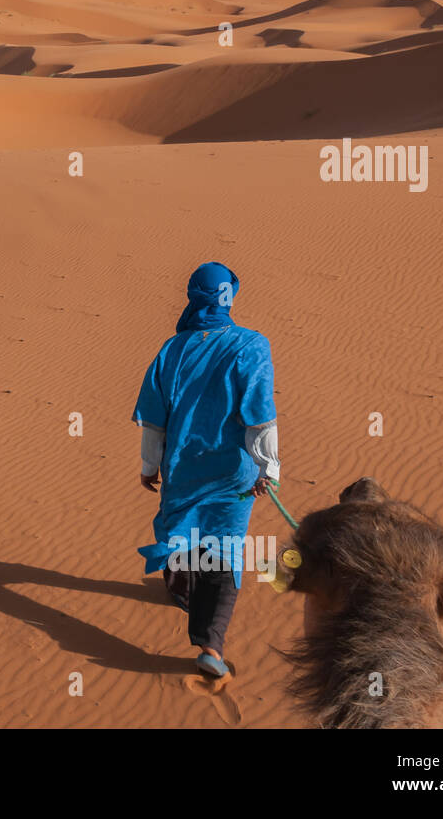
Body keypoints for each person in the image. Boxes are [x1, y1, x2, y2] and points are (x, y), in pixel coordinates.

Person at [131, 261, 279, 678]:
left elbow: (154, 419)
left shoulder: (172, 350)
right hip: (234, 472)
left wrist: (149, 464)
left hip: (182, 468)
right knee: (225, 546)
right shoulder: (251, 346)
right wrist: (269, 467)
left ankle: (183, 592)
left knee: (188, 532)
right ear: (229, 297)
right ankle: (211, 647)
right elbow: (260, 415)